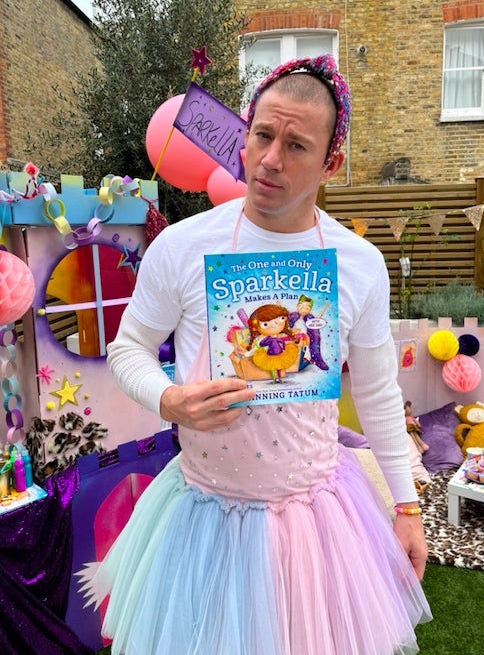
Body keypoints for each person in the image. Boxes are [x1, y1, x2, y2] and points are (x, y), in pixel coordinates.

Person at [86, 54, 432, 655]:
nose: (270, 159)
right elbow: (129, 349)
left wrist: (407, 505)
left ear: (331, 163)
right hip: (204, 516)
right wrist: (169, 399)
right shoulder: (183, 245)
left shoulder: (359, 264)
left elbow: (378, 392)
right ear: (244, 135)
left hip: (317, 525)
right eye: (263, 135)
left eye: (296, 146)